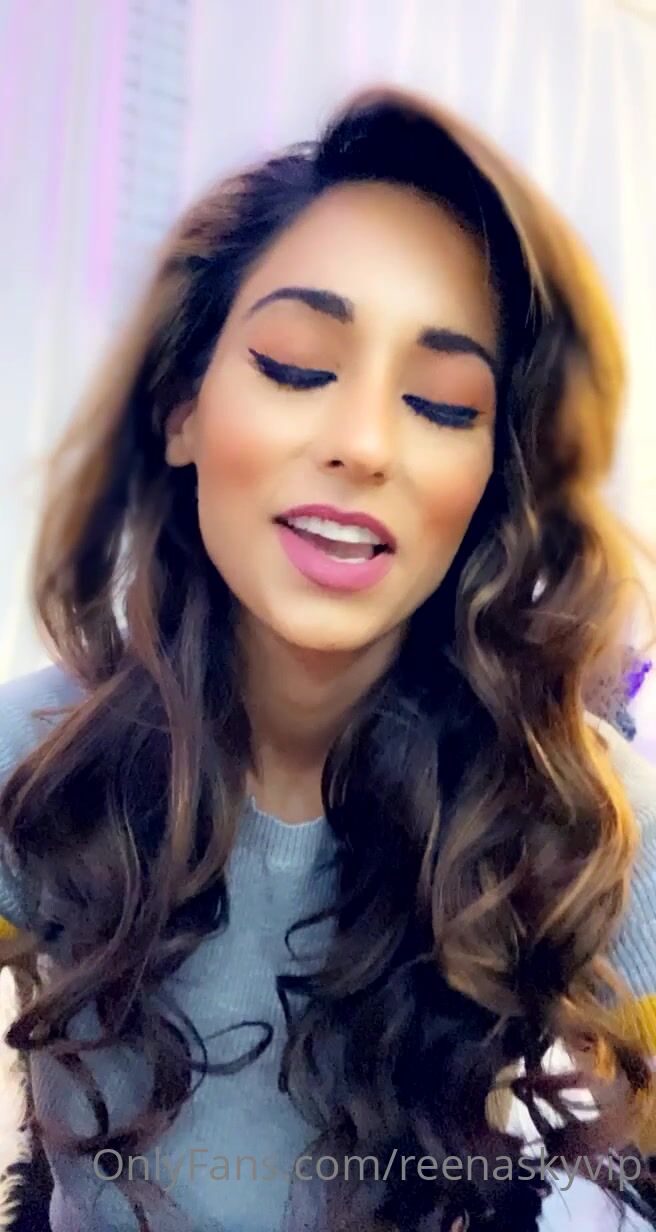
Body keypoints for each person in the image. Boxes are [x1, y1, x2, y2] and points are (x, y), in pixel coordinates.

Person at [0, 82, 655, 1232]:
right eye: (298, 365)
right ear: (181, 410)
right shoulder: (34, 754)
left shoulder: (587, 812)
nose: (361, 445)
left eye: (442, 404)